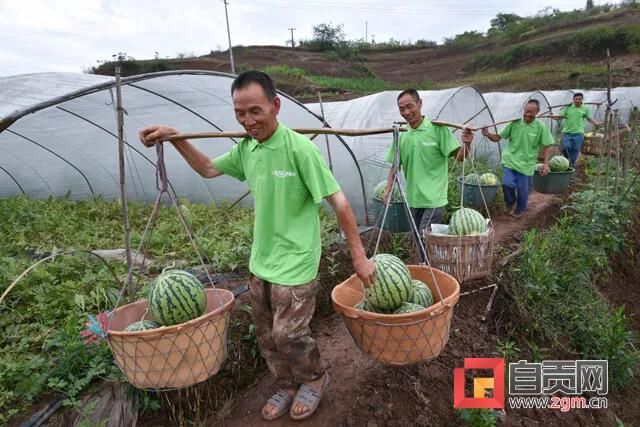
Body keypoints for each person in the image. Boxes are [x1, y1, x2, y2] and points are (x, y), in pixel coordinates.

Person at [139, 70, 375, 421]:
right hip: (261, 261)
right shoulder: (246, 149)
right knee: (266, 336)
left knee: (289, 333)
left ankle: (314, 376)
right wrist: (176, 138)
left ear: (275, 106)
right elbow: (207, 169)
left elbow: (339, 202)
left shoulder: (300, 149)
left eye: (255, 111)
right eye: (240, 113)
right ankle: (286, 384)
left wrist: (359, 255)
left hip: (296, 261)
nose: (247, 120)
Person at [382, 88, 473, 261]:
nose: (406, 112)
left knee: (424, 236)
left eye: (410, 106)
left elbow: (460, 157)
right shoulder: (402, 135)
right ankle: (431, 265)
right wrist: (388, 187)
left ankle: (428, 269)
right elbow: (395, 164)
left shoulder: (438, 130)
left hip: (434, 198)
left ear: (420, 104)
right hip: (414, 198)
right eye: (402, 109)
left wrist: (467, 144)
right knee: (417, 236)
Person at [481, 99, 554, 218]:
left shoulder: (540, 127)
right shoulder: (514, 123)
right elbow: (497, 138)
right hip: (510, 161)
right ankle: (510, 202)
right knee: (507, 184)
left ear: (537, 112)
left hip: (527, 164)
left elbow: (547, 145)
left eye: (531, 112)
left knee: (523, 192)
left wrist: (546, 164)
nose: (528, 114)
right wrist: (487, 133)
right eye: (526, 111)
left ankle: (519, 210)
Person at [549, 92, 602, 168]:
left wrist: (596, 123)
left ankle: (572, 163)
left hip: (578, 133)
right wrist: (553, 116)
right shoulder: (568, 107)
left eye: (579, 99)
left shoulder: (585, 108)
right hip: (567, 132)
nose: (577, 100)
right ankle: (567, 159)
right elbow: (559, 117)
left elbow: (588, 118)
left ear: (582, 100)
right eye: (576, 99)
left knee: (575, 149)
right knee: (565, 147)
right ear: (573, 100)